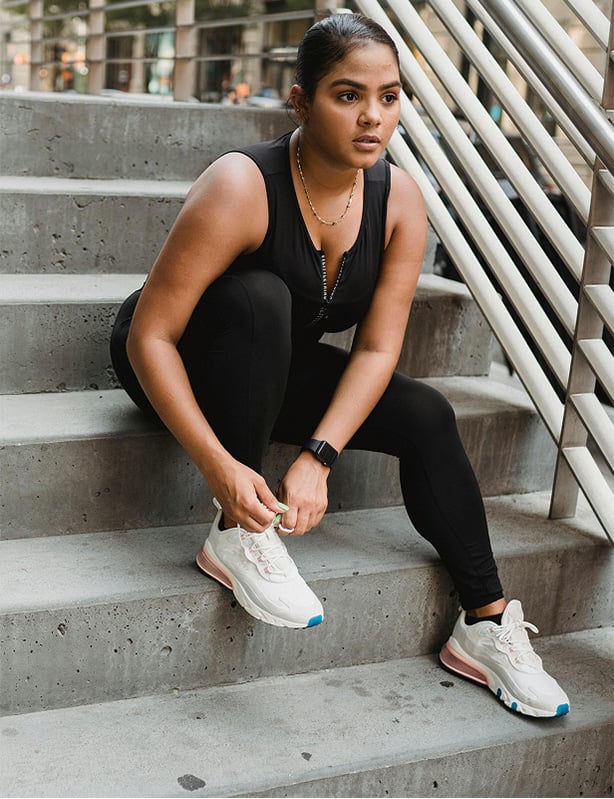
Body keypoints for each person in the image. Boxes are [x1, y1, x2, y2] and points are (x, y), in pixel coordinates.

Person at [110, 13, 569, 718]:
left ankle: (484, 620)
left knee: (427, 412)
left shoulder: (399, 199)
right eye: (347, 94)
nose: (372, 117)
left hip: (278, 365)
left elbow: (379, 350)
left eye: (389, 97)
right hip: (182, 361)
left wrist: (320, 455)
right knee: (261, 297)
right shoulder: (242, 183)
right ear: (301, 101)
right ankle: (237, 530)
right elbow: (151, 338)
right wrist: (222, 467)